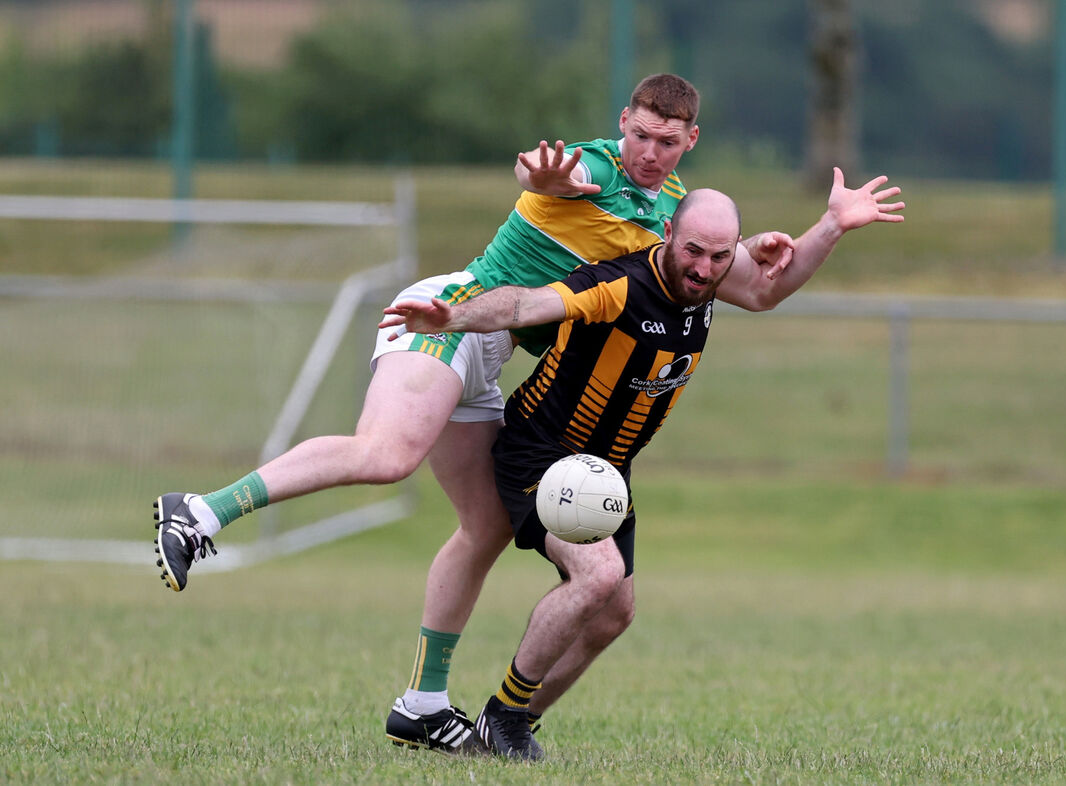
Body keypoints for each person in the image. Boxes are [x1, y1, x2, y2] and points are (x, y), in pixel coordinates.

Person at [152, 73, 903, 753]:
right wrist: (541, 177)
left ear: (689, 141)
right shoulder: (598, 168)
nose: (649, 153)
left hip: (492, 347)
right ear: (624, 124)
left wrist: (825, 225)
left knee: (484, 527)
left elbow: (759, 288)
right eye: (641, 135)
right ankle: (201, 512)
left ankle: (422, 704)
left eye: (667, 142)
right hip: (453, 311)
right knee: (386, 455)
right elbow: (556, 173)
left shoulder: (674, 217)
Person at [379, 187, 895, 761]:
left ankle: (510, 723)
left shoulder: (707, 279)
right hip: (543, 452)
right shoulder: (619, 284)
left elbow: (766, 289)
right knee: (597, 574)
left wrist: (832, 224)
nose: (704, 269)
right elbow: (528, 305)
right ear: (668, 233)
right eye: (693, 251)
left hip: (607, 470)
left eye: (719, 257)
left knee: (613, 616)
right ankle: (503, 717)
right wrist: (456, 317)